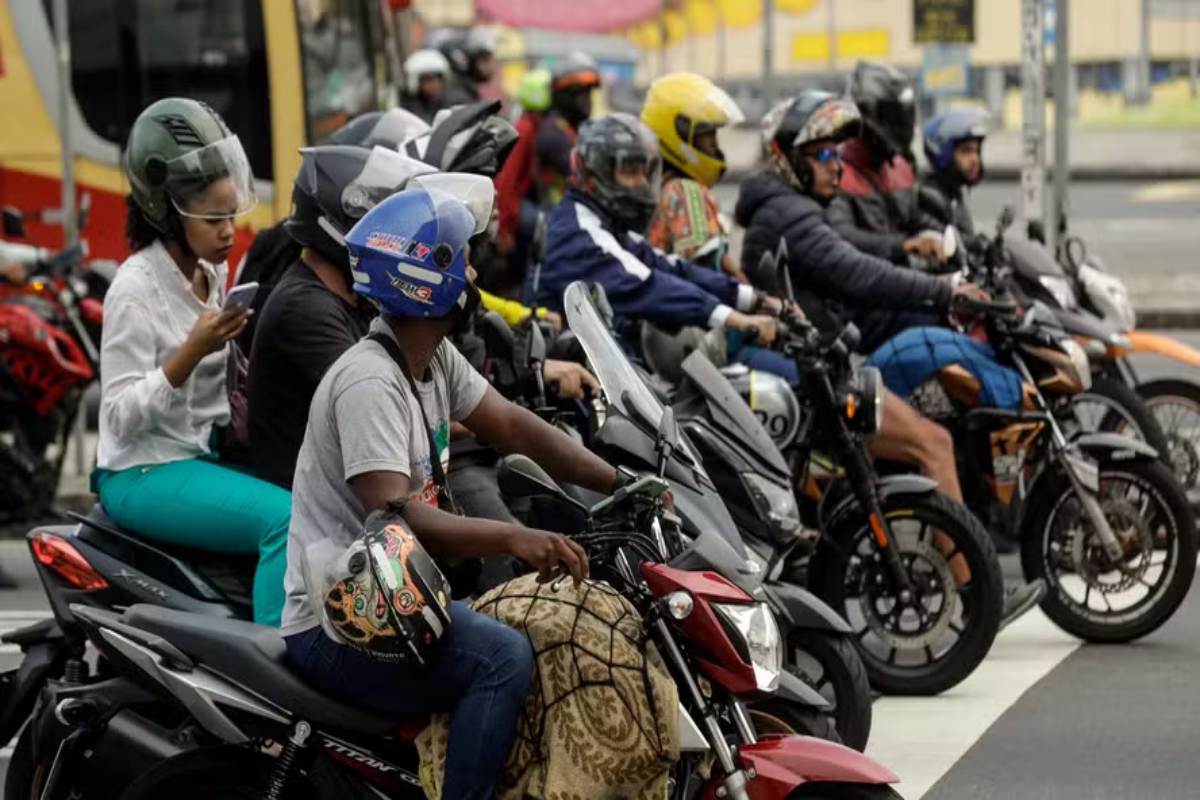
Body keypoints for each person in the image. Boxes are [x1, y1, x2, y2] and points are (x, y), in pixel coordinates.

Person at [282, 185, 625, 800]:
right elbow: (399, 516)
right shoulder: (370, 380)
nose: (472, 274)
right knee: (503, 659)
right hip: (340, 621)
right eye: (461, 261)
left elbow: (515, 424)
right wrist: (519, 539)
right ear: (425, 280)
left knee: (555, 629)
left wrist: (621, 479)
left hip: (401, 602)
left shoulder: (432, 359)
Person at [737, 90, 1043, 627]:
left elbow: (863, 254)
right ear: (789, 159)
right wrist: (943, 292)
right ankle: (977, 601)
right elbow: (854, 269)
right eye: (825, 155)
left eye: (838, 155)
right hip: (820, 379)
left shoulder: (798, 209)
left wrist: (920, 257)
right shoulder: (787, 214)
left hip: (828, 362)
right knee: (934, 444)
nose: (837, 165)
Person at [93, 98, 291, 626]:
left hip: (201, 453)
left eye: (232, 215)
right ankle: (275, 671)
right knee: (285, 521)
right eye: (215, 218)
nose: (230, 230)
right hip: (143, 470)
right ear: (167, 210)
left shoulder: (211, 273)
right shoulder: (134, 289)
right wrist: (190, 353)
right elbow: (116, 417)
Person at [533, 113, 786, 378]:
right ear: (599, 172)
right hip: (567, 378)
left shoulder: (604, 222)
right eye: (630, 171)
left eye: (645, 172)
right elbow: (648, 283)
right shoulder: (580, 232)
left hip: (598, 366)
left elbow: (671, 266)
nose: (642, 183)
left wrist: (754, 299)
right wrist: (736, 319)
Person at [826, 61, 947, 267]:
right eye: (892, 117)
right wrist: (905, 245)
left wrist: (951, 236)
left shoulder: (898, 166)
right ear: (865, 115)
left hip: (902, 281)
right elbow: (843, 235)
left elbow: (914, 217)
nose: (900, 125)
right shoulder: (835, 172)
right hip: (861, 286)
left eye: (902, 116)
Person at [642, 72, 746, 282]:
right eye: (708, 137)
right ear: (679, 136)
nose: (715, 149)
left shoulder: (655, 187)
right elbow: (706, 274)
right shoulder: (685, 193)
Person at [493, 68, 552, 292]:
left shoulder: (532, 127)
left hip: (515, 205)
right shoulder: (525, 129)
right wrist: (505, 229)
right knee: (539, 224)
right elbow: (505, 182)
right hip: (513, 209)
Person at [535, 52, 602, 209]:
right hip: (558, 218)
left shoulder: (574, 129)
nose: (587, 100)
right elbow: (589, 180)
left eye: (588, 93)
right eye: (579, 93)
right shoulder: (553, 134)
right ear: (562, 95)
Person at [918, 107, 989, 239]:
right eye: (966, 151)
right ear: (943, 153)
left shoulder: (956, 192)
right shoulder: (930, 198)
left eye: (977, 151)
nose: (975, 159)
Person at [437, 26, 498, 107]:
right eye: (484, 60)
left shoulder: (468, 93)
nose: (491, 65)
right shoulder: (458, 101)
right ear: (464, 61)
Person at [401, 48, 451, 123]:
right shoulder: (408, 111)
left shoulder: (449, 104)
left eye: (437, 78)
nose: (434, 84)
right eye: (428, 79)